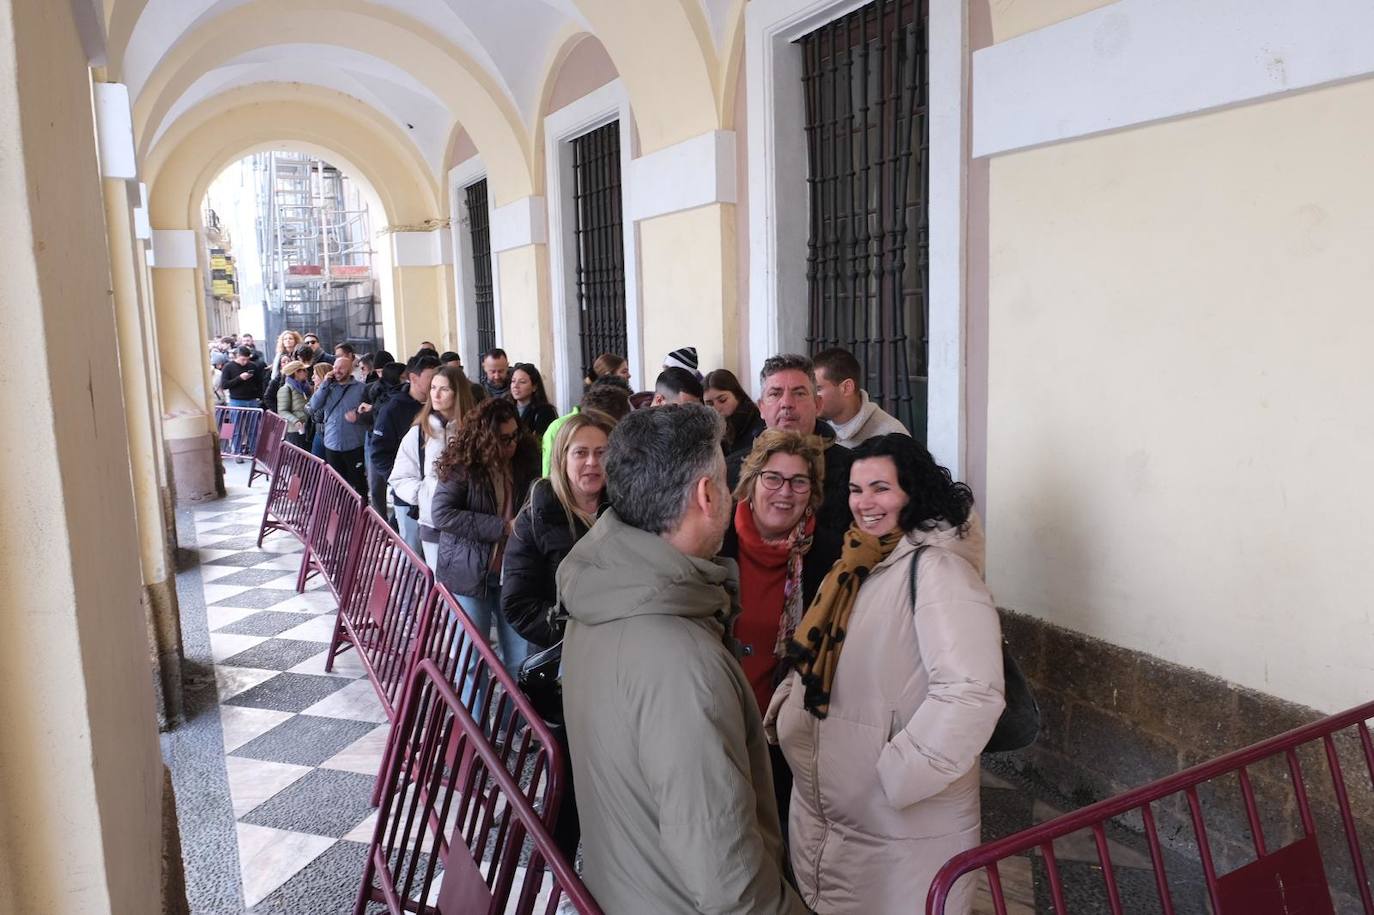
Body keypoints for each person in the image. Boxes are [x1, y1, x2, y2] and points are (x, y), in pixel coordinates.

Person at [556, 404, 804, 915]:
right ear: (706, 495)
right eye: (723, 478)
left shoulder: (604, 591)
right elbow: (730, 884)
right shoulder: (682, 664)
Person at [766, 433, 1005, 915]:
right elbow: (819, 650)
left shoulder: (938, 571)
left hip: (900, 825)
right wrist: (790, 710)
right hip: (836, 819)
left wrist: (897, 774)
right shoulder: (858, 563)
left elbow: (972, 692)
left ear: (912, 493)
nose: (864, 503)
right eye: (856, 489)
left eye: (880, 488)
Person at [500, 409, 616, 863]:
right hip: (571, 671)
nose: (592, 464)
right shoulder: (537, 515)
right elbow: (517, 604)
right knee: (568, 781)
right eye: (580, 453)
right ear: (562, 459)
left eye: (602, 453)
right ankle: (557, 871)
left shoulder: (629, 509)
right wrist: (575, 629)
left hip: (626, 665)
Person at [718, 429, 842, 834]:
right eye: (773, 478)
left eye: (799, 481)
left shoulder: (828, 556)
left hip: (783, 737)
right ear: (751, 483)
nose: (784, 492)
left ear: (812, 492)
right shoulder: (715, 544)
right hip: (719, 725)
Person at [431, 398, 539, 683]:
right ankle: (474, 726)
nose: (512, 444)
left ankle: (517, 726)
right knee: (471, 662)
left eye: (515, 435)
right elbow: (442, 514)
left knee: (519, 661)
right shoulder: (462, 465)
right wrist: (502, 527)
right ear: (485, 438)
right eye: (503, 439)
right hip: (468, 572)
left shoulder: (525, 461)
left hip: (513, 573)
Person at [727, 354, 853, 532]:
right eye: (775, 394)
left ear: (818, 405)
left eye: (799, 393)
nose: (786, 403)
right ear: (761, 407)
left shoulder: (851, 471)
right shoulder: (730, 473)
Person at [388, 365, 475, 556]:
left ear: (458, 393)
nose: (436, 394)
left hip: (469, 522)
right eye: (434, 388)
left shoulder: (474, 432)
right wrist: (424, 495)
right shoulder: (419, 432)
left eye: (444, 389)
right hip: (432, 524)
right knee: (439, 582)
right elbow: (399, 477)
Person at [369, 355, 440, 522]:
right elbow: (379, 453)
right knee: (411, 546)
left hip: (439, 497)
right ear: (414, 378)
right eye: (431, 379)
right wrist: (403, 484)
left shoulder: (440, 405)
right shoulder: (393, 409)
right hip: (408, 499)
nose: (436, 385)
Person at [812, 347, 909, 449]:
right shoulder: (813, 429)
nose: (811, 396)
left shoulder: (891, 436)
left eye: (818, 389)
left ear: (847, 388)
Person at [306, 344, 367, 497]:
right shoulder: (328, 388)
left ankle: (360, 516)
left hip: (354, 444)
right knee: (337, 485)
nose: (337, 371)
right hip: (332, 443)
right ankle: (340, 515)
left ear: (351, 370)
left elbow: (371, 414)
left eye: (342, 368)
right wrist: (325, 383)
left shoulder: (361, 389)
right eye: (335, 367)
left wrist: (359, 416)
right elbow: (314, 405)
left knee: (358, 485)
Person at [540, 376, 633, 475]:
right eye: (580, 453)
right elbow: (549, 473)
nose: (592, 462)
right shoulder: (558, 428)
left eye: (601, 452)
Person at [705, 368, 763, 454]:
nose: (716, 409)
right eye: (709, 404)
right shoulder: (707, 427)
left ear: (737, 395)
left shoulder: (758, 423)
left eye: (722, 400)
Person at [509, 362, 559, 439]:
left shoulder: (545, 412)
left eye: (522, 382)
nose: (515, 386)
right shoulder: (507, 408)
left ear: (534, 387)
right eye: (513, 381)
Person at [276, 360, 313, 448]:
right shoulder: (285, 389)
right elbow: (282, 411)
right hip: (295, 430)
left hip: (308, 426)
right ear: (296, 372)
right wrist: (295, 420)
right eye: (304, 370)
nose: (306, 372)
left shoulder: (306, 387)